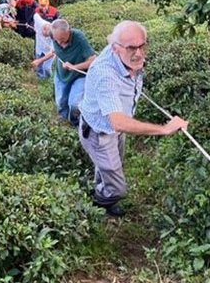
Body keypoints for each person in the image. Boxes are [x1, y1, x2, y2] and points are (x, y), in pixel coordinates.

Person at [78, 21, 188, 217]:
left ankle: (102, 191)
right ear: (116, 48)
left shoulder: (118, 49)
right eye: (131, 48)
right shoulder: (106, 75)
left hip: (115, 128)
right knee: (118, 187)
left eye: (142, 46)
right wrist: (164, 129)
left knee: (111, 167)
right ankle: (99, 203)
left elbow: (111, 39)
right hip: (99, 131)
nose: (138, 53)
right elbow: (118, 122)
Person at [50, 19, 96, 126]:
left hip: (79, 75)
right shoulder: (53, 35)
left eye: (62, 39)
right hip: (62, 74)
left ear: (69, 31)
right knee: (61, 101)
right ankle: (63, 117)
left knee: (74, 103)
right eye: (57, 40)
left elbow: (93, 60)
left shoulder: (79, 38)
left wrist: (74, 67)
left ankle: (75, 123)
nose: (60, 43)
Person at [31, 12, 53, 79]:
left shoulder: (54, 34)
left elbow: (52, 53)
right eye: (46, 35)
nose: (46, 37)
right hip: (39, 48)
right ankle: (40, 78)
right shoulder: (39, 22)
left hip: (48, 52)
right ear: (43, 28)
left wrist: (39, 60)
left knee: (46, 68)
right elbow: (35, 15)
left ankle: (49, 79)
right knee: (39, 67)